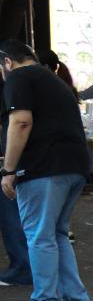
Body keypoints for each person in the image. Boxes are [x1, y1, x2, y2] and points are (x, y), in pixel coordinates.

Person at [0, 39, 92, 301]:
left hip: (42, 168)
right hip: (73, 166)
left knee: (39, 235)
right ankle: (75, 298)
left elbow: (21, 122)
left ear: (7, 62)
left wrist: (9, 169)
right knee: (56, 234)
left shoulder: (18, 78)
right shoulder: (53, 80)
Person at [0, 63, 32, 289]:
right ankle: (22, 265)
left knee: (11, 213)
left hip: (7, 158)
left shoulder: (11, 83)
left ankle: (23, 267)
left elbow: (18, 122)